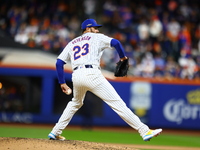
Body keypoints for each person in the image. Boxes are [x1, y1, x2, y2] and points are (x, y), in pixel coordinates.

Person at [48, 19, 162, 141]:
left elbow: (59, 63)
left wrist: (62, 82)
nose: (97, 30)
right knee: (117, 104)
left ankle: (55, 132)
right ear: (87, 28)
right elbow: (116, 43)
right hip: (92, 74)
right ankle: (144, 131)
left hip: (76, 75)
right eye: (95, 28)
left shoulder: (72, 42)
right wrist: (123, 58)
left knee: (75, 103)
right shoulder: (97, 38)